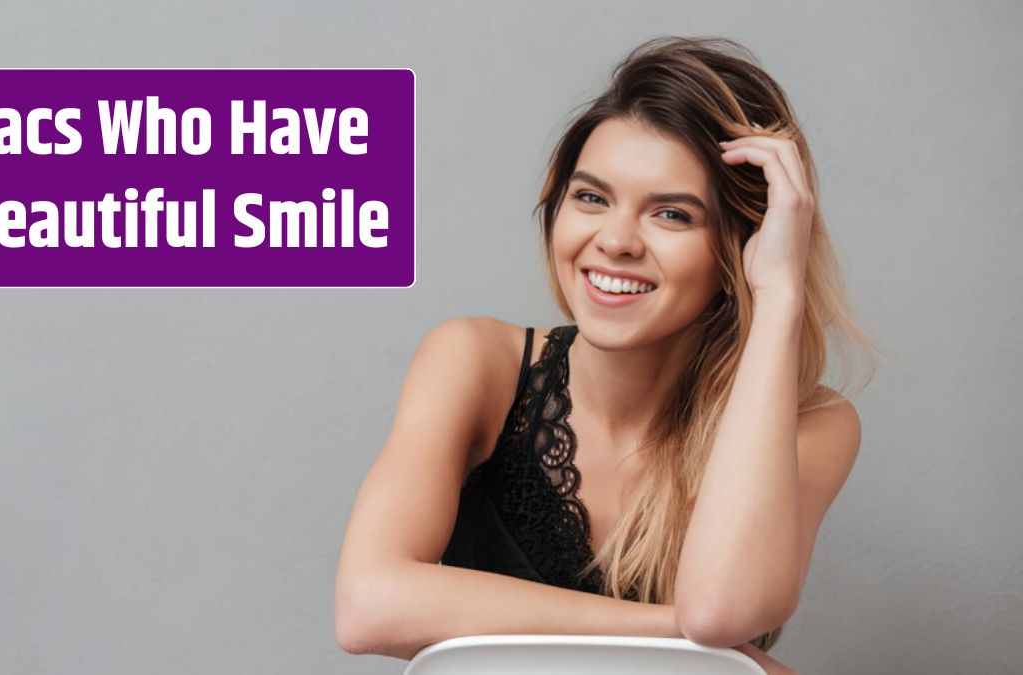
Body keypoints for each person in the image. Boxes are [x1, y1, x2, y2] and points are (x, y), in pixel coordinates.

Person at [334, 35, 877, 674]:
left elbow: (721, 614)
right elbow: (368, 605)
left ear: (739, 251)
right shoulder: (475, 361)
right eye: (591, 197)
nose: (615, 241)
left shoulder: (812, 424)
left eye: (672, 215)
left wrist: (779, 293)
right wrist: (677, 635)